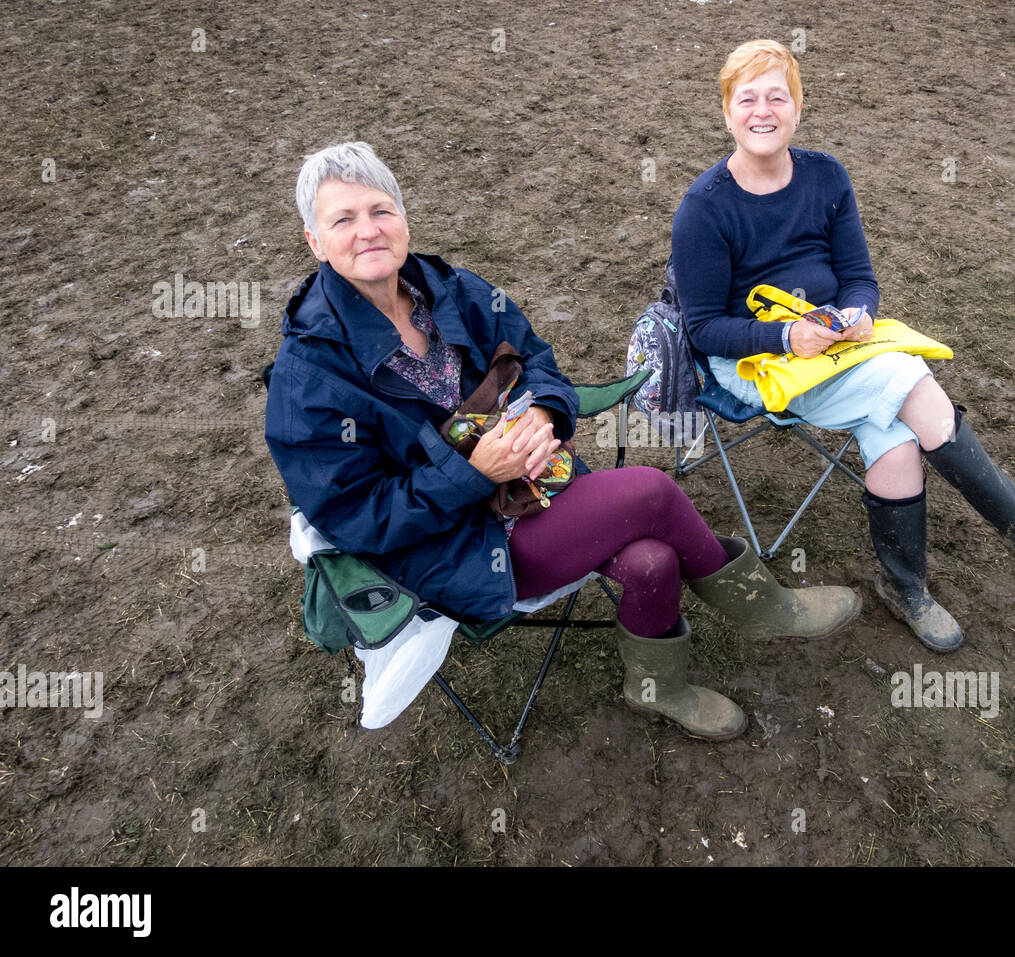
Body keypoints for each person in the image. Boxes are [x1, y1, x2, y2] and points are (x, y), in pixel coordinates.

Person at [264, 142, 862, 741]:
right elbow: (352, 516)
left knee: (651, 561)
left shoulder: (453, 290)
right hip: (448, 547)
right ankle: (761, 607)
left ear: (403, 218)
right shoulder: (308, 375)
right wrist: (473, 472)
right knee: (651, 491)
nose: (368, 231)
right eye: (343, 219)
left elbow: (540, 363)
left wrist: (547, 414)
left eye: (380, 210)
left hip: (537, 483)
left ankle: (657, 688)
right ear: (315, 242)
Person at [671, 41, 1015, 654]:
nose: (763, 110)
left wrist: (858, 313)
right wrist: (788, 335)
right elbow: (703, 328)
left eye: (777, 96)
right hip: (756, 361)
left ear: (798, 108)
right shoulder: (703, 210)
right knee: (909, 382)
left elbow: (859, 275)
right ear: (727, 111)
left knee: (892, 436)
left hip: (838, 344)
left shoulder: (826, 177)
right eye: (747, 98)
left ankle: (904, 588)